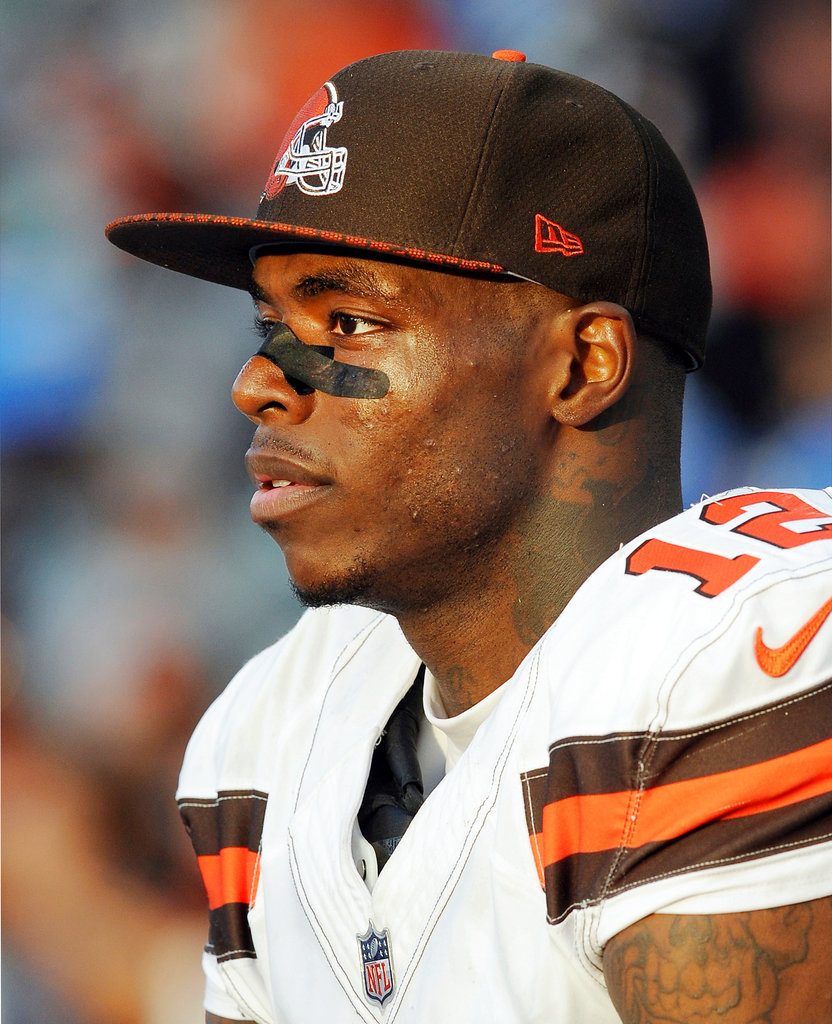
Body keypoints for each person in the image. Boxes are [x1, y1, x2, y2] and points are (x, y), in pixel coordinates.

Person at [106, 49, 832, 1024]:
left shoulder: (729, 654)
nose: (257, 384)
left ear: (582, 364)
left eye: (347, 322)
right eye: (267, 324)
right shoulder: (276, 723)